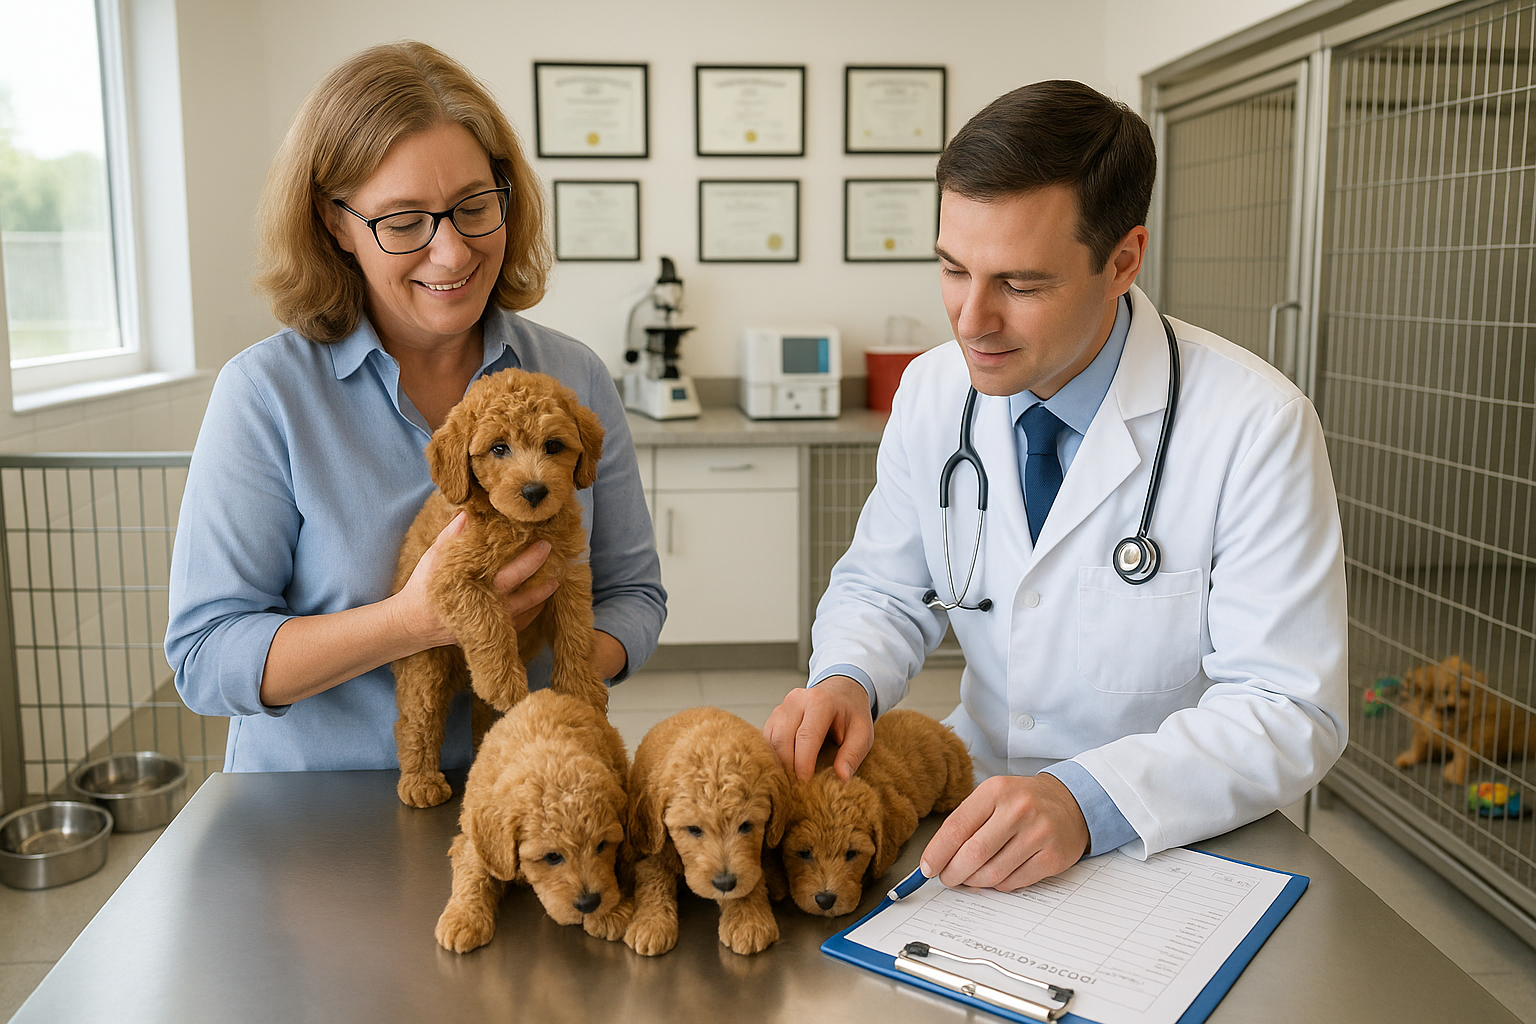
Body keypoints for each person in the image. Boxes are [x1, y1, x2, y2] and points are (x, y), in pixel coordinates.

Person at [764, 80, 1347, 891]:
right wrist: (846, 677)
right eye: (953, 269)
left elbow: (1289, 710)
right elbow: (887, 588)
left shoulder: (1256, 425)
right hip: (972, 803)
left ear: (1123, 260)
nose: (970, 320)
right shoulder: (936, 392)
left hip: (1167, 833)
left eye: (1021, 284)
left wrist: (1086, 800)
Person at [166, 42, 665, 772]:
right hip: (316, 816)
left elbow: (634, 593)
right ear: (336, 224)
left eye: (474, 207)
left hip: (527, 792)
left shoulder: (573, 377)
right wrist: (412, 623)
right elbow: (207, 659)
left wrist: (561, 672)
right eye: (404, 222)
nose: (453, 253)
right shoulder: (265, 395)